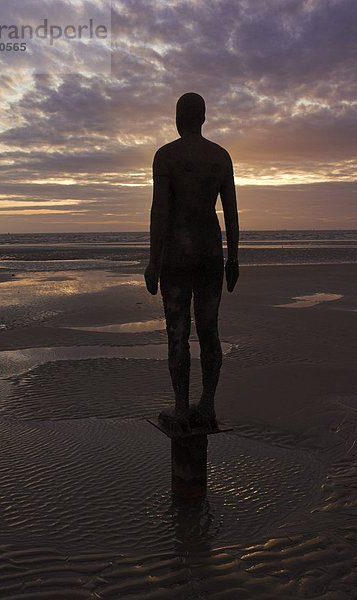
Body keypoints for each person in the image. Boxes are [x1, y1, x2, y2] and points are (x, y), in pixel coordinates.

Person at [145, 92, 239, 433]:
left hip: (177, 252)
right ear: (203, 117)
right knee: (209, 330)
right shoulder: (220, 156)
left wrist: (153, 261)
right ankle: (208, 404)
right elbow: (230, 211)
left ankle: (183, 408)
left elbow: (160, 211)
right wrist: (234, 256)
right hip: (211, 250)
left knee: (178, 332)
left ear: (178, 118)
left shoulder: (166, 156)